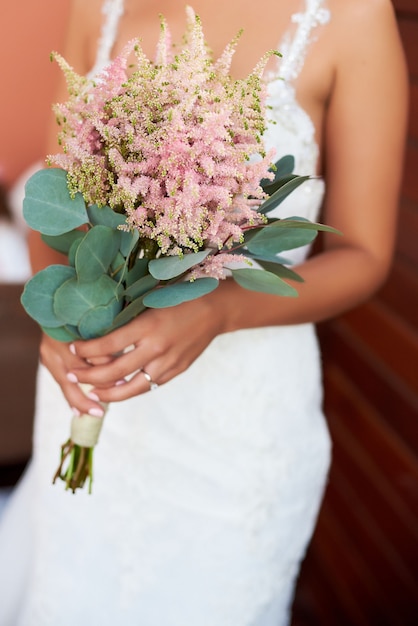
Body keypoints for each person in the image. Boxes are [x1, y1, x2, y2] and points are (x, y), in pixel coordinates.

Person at [0, 1, 408, 624]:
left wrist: (220, 311)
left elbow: (366, 255)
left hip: (235, 435)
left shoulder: (350, 15)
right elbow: (57, 194)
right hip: (92, 388)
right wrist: (58, 314)